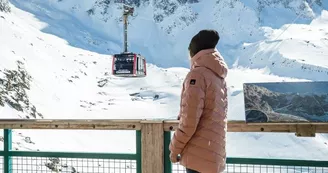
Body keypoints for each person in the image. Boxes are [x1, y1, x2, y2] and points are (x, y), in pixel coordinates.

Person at [169, 29, 228, 173]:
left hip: (198, 156)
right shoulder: (218, 75)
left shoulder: (197, 75)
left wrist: (174, 148)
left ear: (194, 52)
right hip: (214, 153)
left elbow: (189, 120)